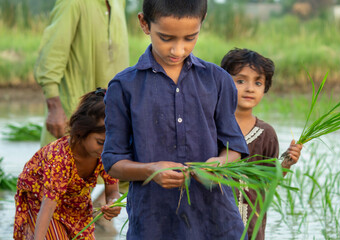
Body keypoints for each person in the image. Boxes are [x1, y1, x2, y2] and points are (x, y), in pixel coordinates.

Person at [102, 0, 250, 239]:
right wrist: (151, 170)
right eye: (167, 38)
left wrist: (218, 165)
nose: (178, 50)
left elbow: (235, 149)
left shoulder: (218, 80)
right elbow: (114, 163)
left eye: (190, 38)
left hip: (215, 220)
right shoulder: (124, 86)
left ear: (201, 25)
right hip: (154, 222)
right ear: (144, 23)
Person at [13, 89, 121, 240]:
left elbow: (113, 191)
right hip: (40, 200)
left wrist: (113, 203)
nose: (106, 149)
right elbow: (48, 206)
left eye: (111, 142)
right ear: (81, 131)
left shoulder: (105, 153)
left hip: (75, 204)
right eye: (100, 142)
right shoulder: (60, 157)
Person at [221, 48, 303, 240]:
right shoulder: (212, 128)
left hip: (251, 225)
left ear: (264, 88)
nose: (250, 88)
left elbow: (268, 180)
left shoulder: (266, 134)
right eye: (240, 81)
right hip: (214, 223)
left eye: (258, 82)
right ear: (223, 83)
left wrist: (286, 164)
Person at [34, 0, 129, 147]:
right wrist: (54, 108)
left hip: (109, 119)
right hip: (73, 118)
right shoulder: (72, 3)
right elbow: (51, 56)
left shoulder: (118, 3)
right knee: (62, 165)